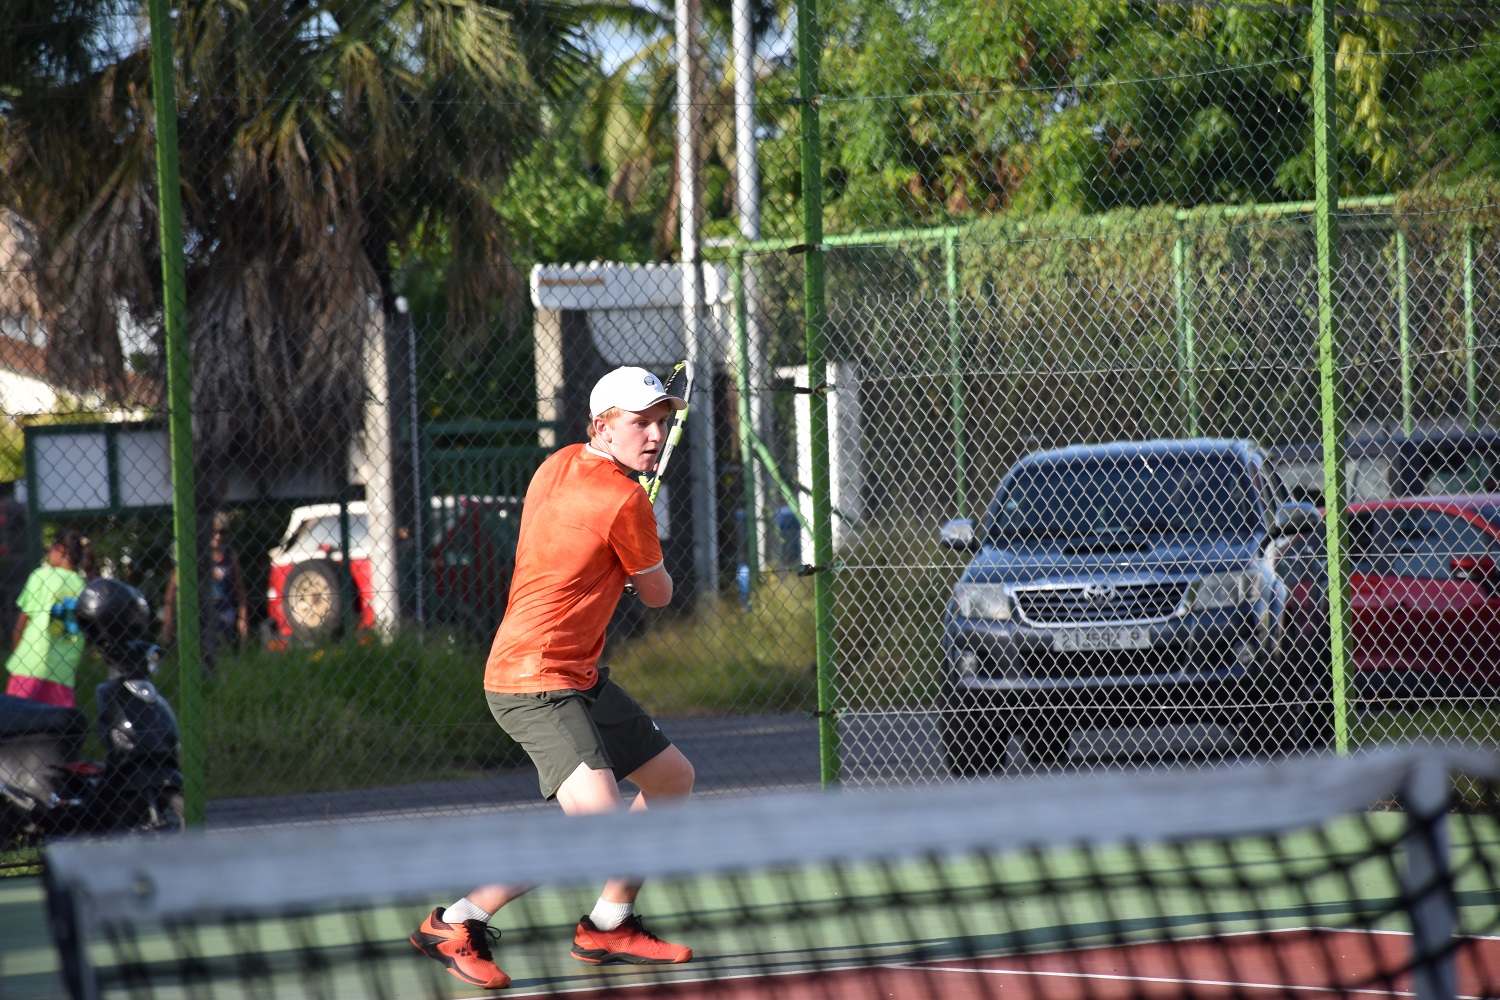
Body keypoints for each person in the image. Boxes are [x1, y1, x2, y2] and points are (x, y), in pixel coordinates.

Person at [410, 366, 697, 990]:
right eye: (639, 423)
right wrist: (642, 549)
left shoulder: (560, 462)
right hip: (534, 680)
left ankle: (609, 923)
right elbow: (658, 595)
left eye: (661, 422)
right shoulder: (625, 501)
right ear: (603, 426)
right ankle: (456, 921)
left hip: (574, 671)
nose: (654, 435)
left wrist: (620, 544)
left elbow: (577, 542)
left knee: (671, 779)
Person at [5, 528, 96, 708]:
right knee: (57, 727)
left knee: (15, 723)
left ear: (60, 549)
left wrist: (17, 654)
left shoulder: (41, 576)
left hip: (30, 665)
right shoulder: (83, 587)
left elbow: (22, 622)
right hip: (64, 672)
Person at [162, 514, 249, 651]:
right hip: (199, 616)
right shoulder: (192, 556)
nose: (218, 536)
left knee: (225, 654)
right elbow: (172, 590)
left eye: (222, 532)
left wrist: (243, 619)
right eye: (213, 532)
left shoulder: (230, 555)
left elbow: (240, 590)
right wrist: (168, 620)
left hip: (225, 616)